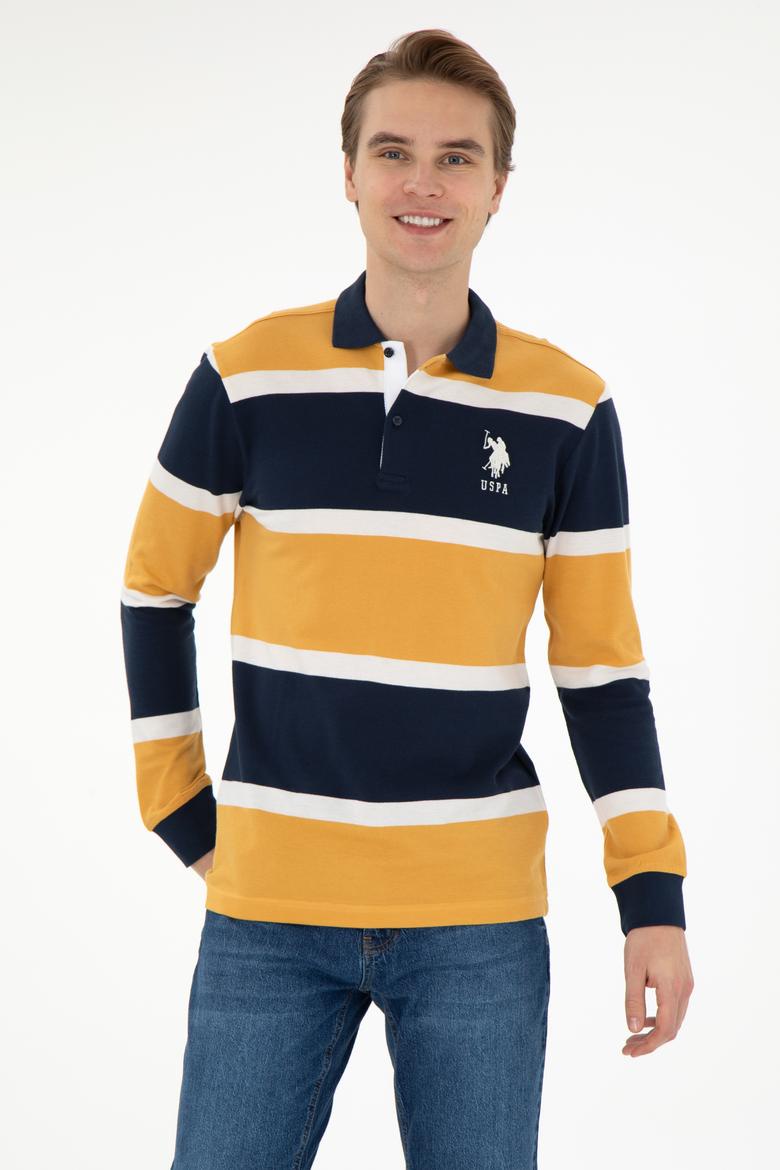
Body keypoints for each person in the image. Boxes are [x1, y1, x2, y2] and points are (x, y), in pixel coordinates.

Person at [120, 27, 694, 1170]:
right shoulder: (246, 375)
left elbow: (601, 671)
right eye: (393, 152)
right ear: (349, 172)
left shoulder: (568, 409)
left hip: (477, 920)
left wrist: (652, 896)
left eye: (456, 158)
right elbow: (152, 591)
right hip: (269, 912)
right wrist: (180, 813)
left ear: (498, 187)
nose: (422, 184)